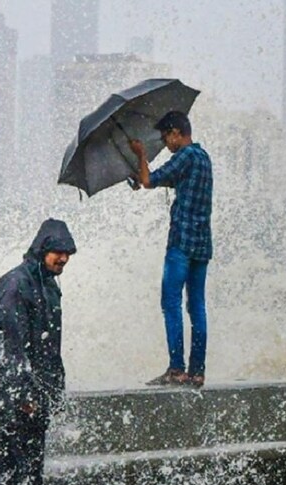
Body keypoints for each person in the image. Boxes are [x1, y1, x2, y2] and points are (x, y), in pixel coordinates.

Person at [0, 218, 77, 485]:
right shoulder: (14, 285)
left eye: (68, 253)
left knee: (30, 474)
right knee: (7, 472)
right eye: (58, 252)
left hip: (37, 396)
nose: (63, 258)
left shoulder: (49, 286)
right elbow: (12, 347)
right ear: (42, 249)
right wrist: (22, 396)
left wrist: (56, 391)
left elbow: (51, 347)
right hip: (12, 397)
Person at [129, 110, 214, 388]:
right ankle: (197, 371)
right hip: (202, 244)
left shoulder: (185, 156)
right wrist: (143, 175)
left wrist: (140, 155)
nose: (166, 143)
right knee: (197, 306)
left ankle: (177, 369)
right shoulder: (203, 158)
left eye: (166, 137)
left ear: (177, 132)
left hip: (181, 244)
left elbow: (149, 180)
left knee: (171, 303)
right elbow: (160, 179)